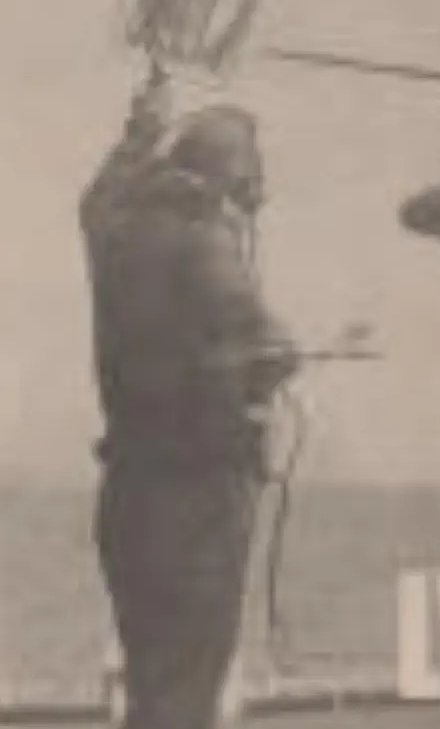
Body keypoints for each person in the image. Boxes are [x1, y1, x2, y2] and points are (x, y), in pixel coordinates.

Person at [80, 64, 300, 729]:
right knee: (188, 693)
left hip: (128, 492)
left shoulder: (115, 227)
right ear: (230, 178)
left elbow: (98, 194)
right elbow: (266, 345)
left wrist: (141, 128)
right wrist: (280, 365)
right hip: (198, 503)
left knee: (152, 687)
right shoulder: (206, 240)